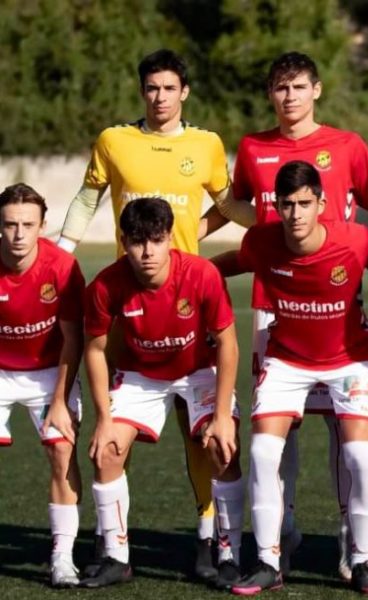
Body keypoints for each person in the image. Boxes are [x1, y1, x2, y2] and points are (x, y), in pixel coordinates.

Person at [209, 50, 368, 581]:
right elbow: (236, 206)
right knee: (278, 435)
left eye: (299, 86)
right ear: (270, 95)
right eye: (281, 88)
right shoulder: (253, 147)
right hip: (274, 306)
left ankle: (352, 542)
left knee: (346, 437)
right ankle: (281, 534)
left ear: (316, 90)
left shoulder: (347, 145)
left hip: (338, 303)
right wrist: (181, 242)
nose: (290, 97)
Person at [56, 48, 250, 580]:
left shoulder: (206, 144)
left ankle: (212, 541)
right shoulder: (115, 140)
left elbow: (227, 205)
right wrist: (62, 252)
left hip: (188, 295)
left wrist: (278, 228)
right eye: (151, 88)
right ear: (142, 91)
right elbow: (87, 199)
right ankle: (113, 547)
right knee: (112, 439)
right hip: (130, 303)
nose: (160, 97)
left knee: (205, 437)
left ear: (184, 91)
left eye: (169, 88)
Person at [226, 160, 368, 596]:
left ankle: (362, 560)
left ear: (321, 203)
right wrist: (188, 270)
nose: (295, 214)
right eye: (287, 205)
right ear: (276, 206)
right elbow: (236, 261)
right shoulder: (261, 241)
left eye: (304, 203)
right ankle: (267, 561)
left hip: (350, 360)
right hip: (287, 360)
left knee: (361, 458)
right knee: (263, 452)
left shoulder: (356, 239)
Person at [80, 198, 242, 589]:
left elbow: (228, 343)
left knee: (222, 448)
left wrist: (223, 416)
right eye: (137, 241)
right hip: (141, 375)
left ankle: (228, 554)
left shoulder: (201, 274)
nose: (147, 251)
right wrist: (103, 419)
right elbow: (95, 350)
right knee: (107, 450)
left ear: (170, 238)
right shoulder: (105, 284)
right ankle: (116, 557)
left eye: (155, 240)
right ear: (123, 241)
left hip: (198, 370)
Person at [0, 183, 84, 587]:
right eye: (10, 225)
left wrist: (60, 400)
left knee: (62, 450)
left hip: (50, 369)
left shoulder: (62, 268)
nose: (19, 235)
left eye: (27, 225)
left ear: (43, 225)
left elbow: (73, 339)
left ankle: (63, 557)